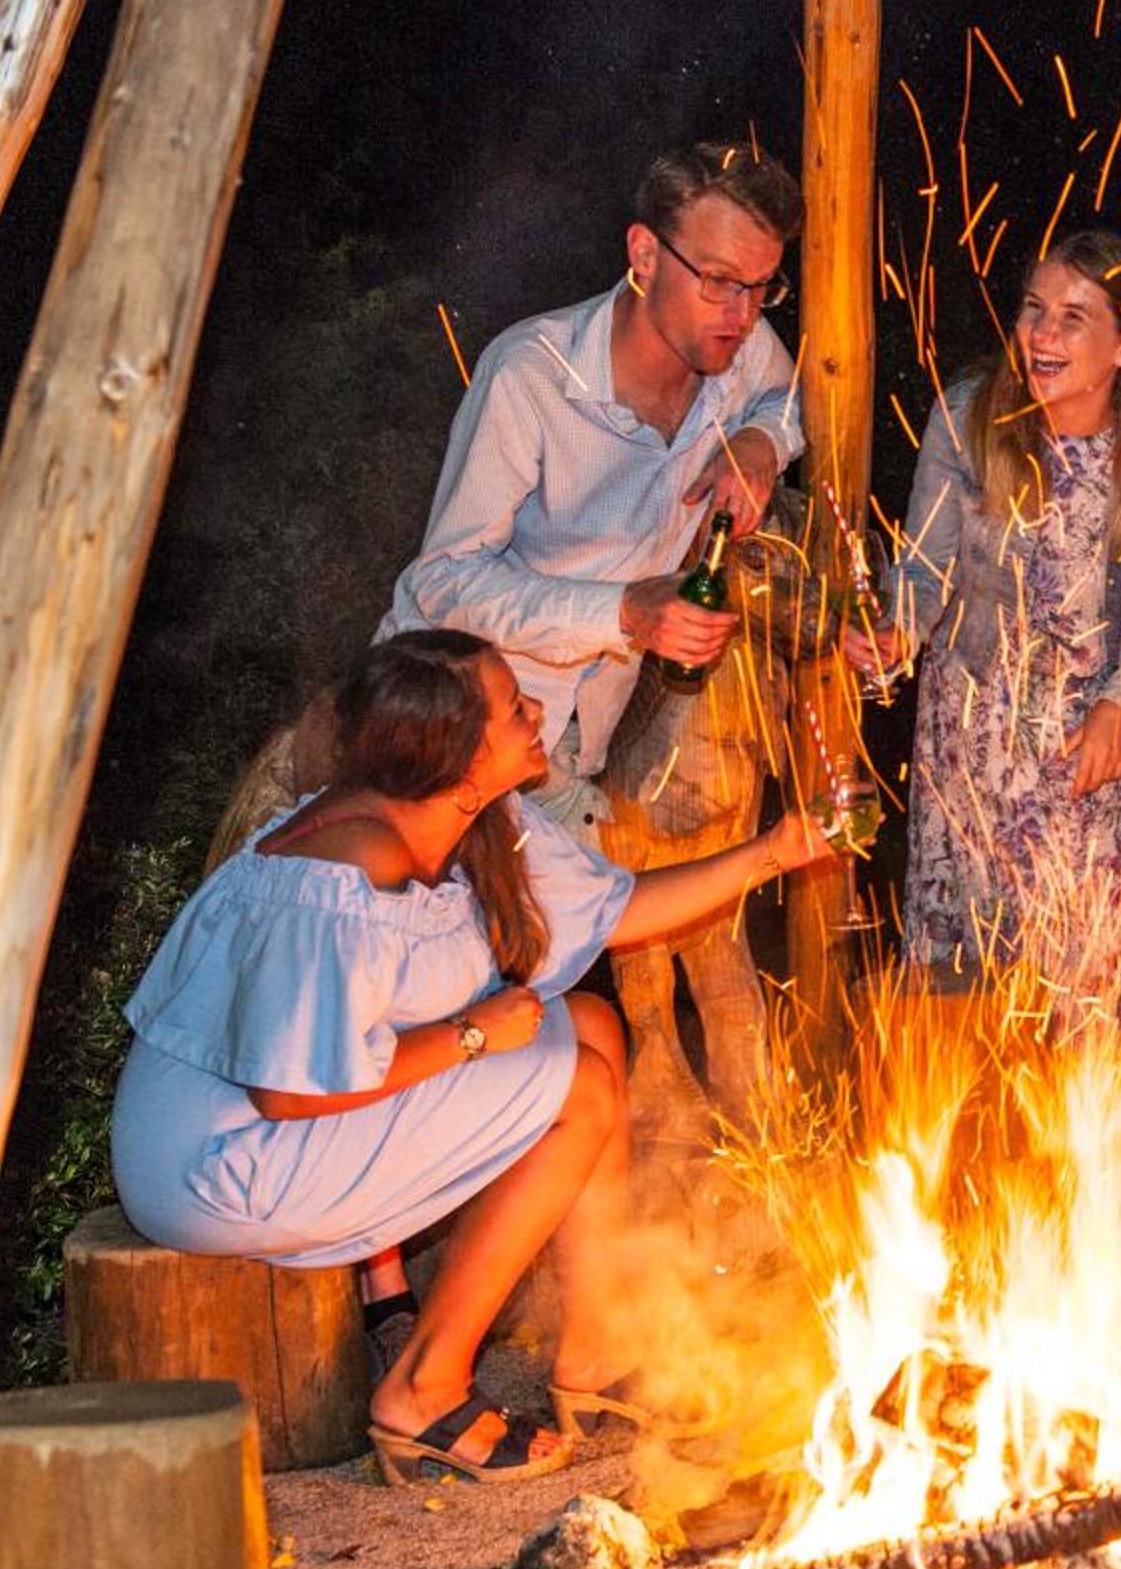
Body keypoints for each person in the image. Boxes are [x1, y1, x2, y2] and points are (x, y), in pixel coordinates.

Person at [111, 631, 838, 1483]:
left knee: (590, 1025)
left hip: (292, 1110)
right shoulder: (347, 871)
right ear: (455, 757)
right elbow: (289, 1093)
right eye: (513, 708)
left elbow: (620, 912)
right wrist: (470, 1035)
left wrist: (774, 851)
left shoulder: (471, 816)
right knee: (576, 1089)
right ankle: (424, 1388)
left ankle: (595, 1347)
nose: (535, 713)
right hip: (218, 1157)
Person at [853, 229, 1121, 1256]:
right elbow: (922, 571)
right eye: (1033, 309)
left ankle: (1101, 1221)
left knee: (1094, 993)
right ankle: (977, 1218)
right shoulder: (970, 418)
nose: (1043, 333)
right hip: (974, 752)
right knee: (973, 986)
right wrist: (892, 630)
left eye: (1074, 317)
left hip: (1098, 755)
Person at [380, 142, 809, 811]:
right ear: (645, 254)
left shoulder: (744, 349)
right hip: (451, 733)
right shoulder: (532, 374)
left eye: (763, 288)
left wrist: (761, 443)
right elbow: (443, 580)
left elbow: (795, 397)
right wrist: (624, 611)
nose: (744, 313)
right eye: (721, 281)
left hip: (578, 745)